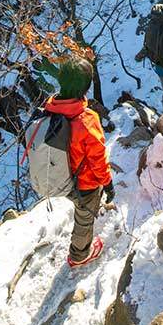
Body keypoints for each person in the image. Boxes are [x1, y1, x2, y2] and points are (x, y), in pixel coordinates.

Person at [43, 57, 115, 268]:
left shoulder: (51, 108)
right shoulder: (86, 120)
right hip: (84, 183)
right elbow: (97, 159)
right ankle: (79, 255)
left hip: (60, 176)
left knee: (81, 207)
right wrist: (108, 183)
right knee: (84, 219)